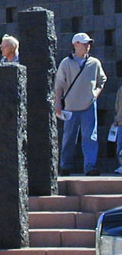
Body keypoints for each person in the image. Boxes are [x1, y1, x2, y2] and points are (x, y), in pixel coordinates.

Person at [55, 32, 107, 176]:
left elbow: (101, 80)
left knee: (90, 136)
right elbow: (59, 84)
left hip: (89, 105)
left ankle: (90, 167)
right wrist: (58, 104)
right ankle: (65, 166)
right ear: (75, 44)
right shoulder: (66, 63)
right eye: (84, 44)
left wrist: (95, 94)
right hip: (71, 106)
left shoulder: (94, 63)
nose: (87, 46)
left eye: (88, 44)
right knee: (68, 138)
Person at [112, 85, 122, 174]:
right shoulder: (120, 89)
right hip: (120, 122)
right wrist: (116, 118)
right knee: (120, 145)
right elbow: (117, 106)